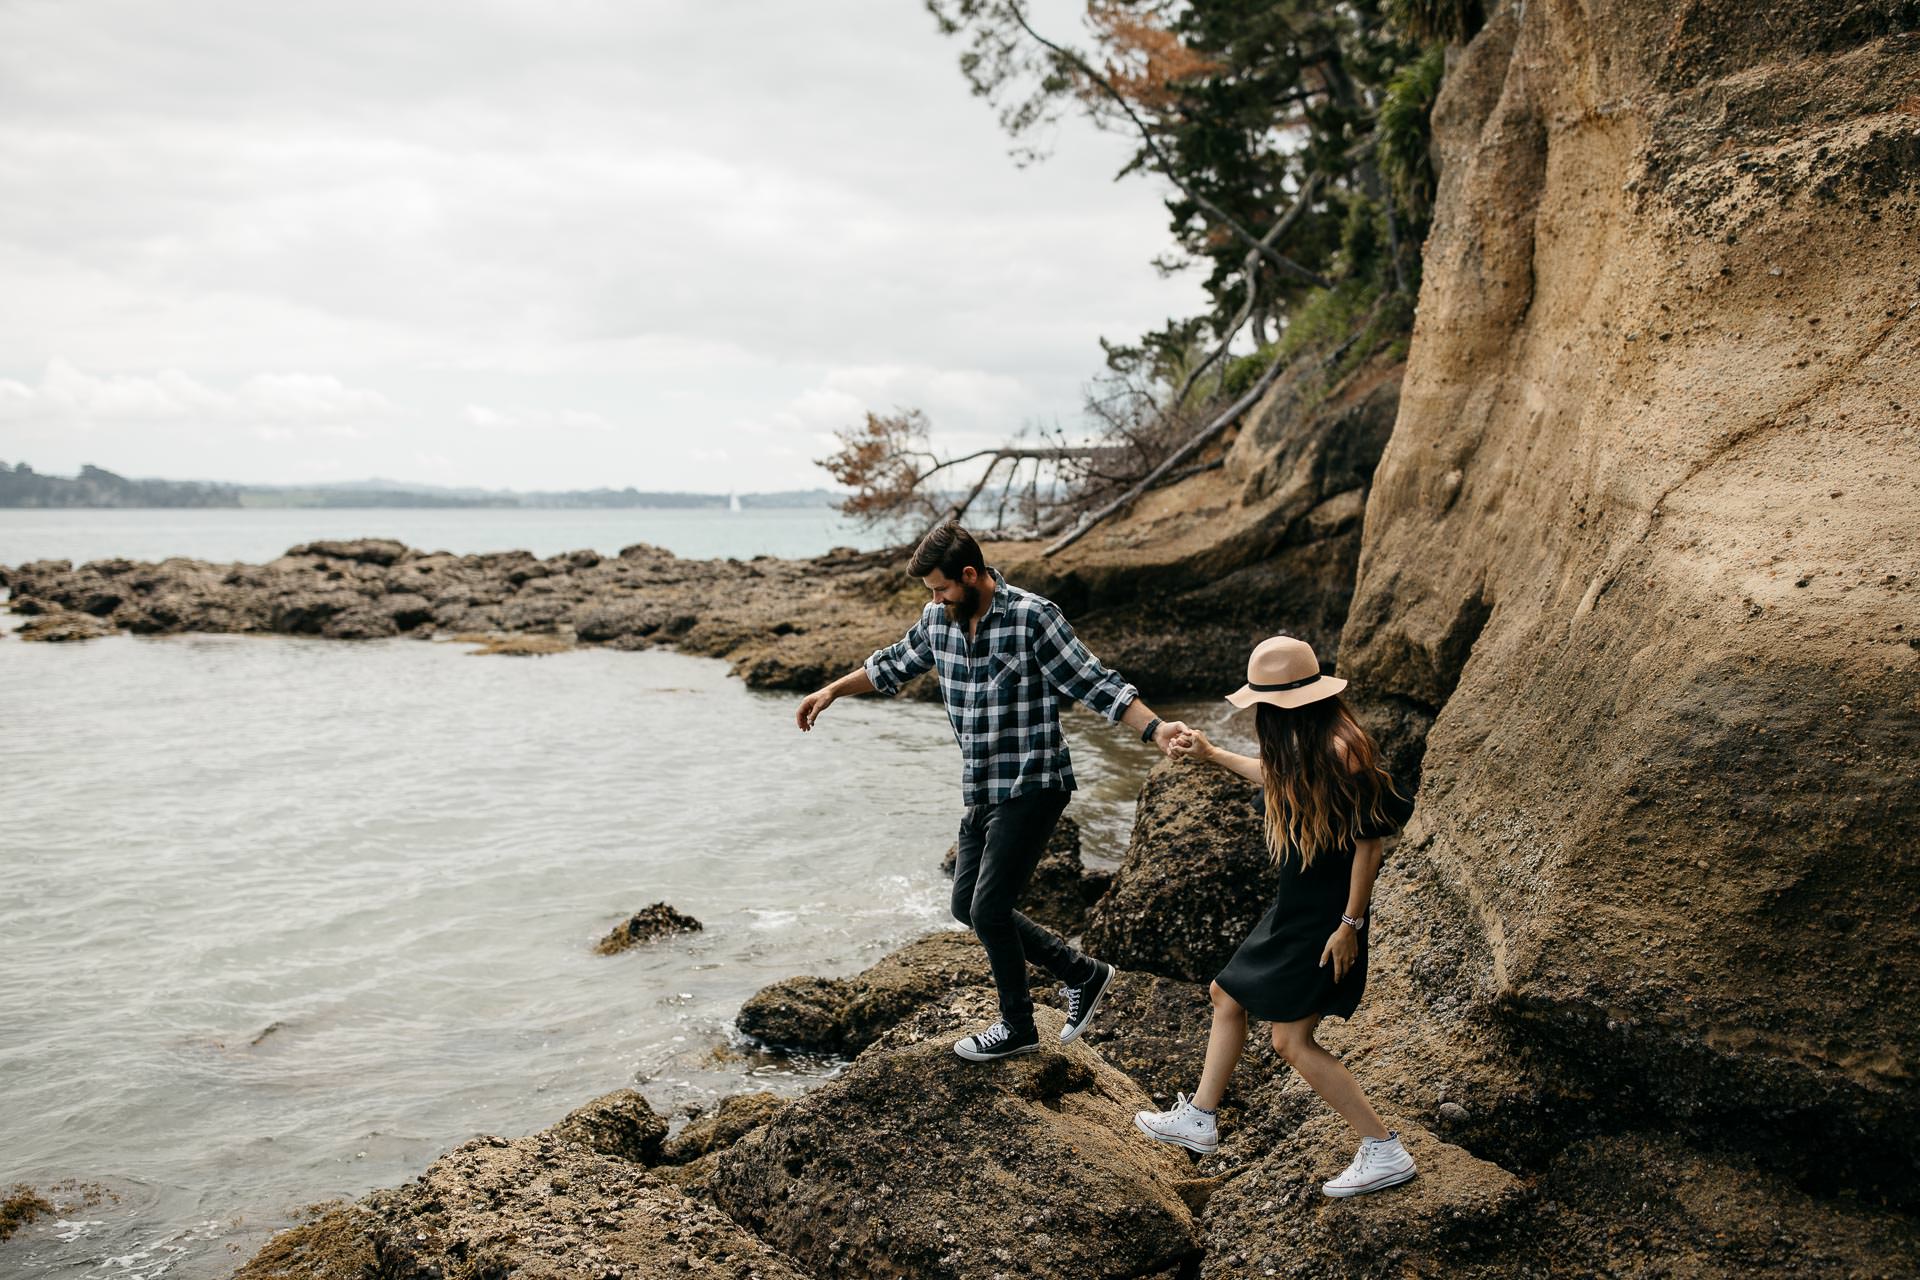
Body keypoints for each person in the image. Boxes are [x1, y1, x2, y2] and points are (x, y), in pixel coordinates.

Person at [796, 521, 1188, 1062]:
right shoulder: (939, 620)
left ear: (971, 574)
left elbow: (1093, 681)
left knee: (989, 910)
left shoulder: (1031, 616)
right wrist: (833, 690)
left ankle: (1018, 1026)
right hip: (982, 787)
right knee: (966, 905)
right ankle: (1082, 972)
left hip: (1033, 783)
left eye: (941, 588)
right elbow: (892, 663)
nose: (934, 600)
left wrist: (1157, 729)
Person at [1132, 634, 1418, 1198]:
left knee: (1291, 1042)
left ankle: (1383, 1149)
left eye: (1266, 701)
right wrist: (1212, 756)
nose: (1261, 711)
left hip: (1324, 916)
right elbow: (1280, 779)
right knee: (1225, 994)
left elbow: (1370, 846)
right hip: (1296, 904)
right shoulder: (1306, 740)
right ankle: (1200, 1118)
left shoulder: (1344, 749)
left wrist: (1350, 926)